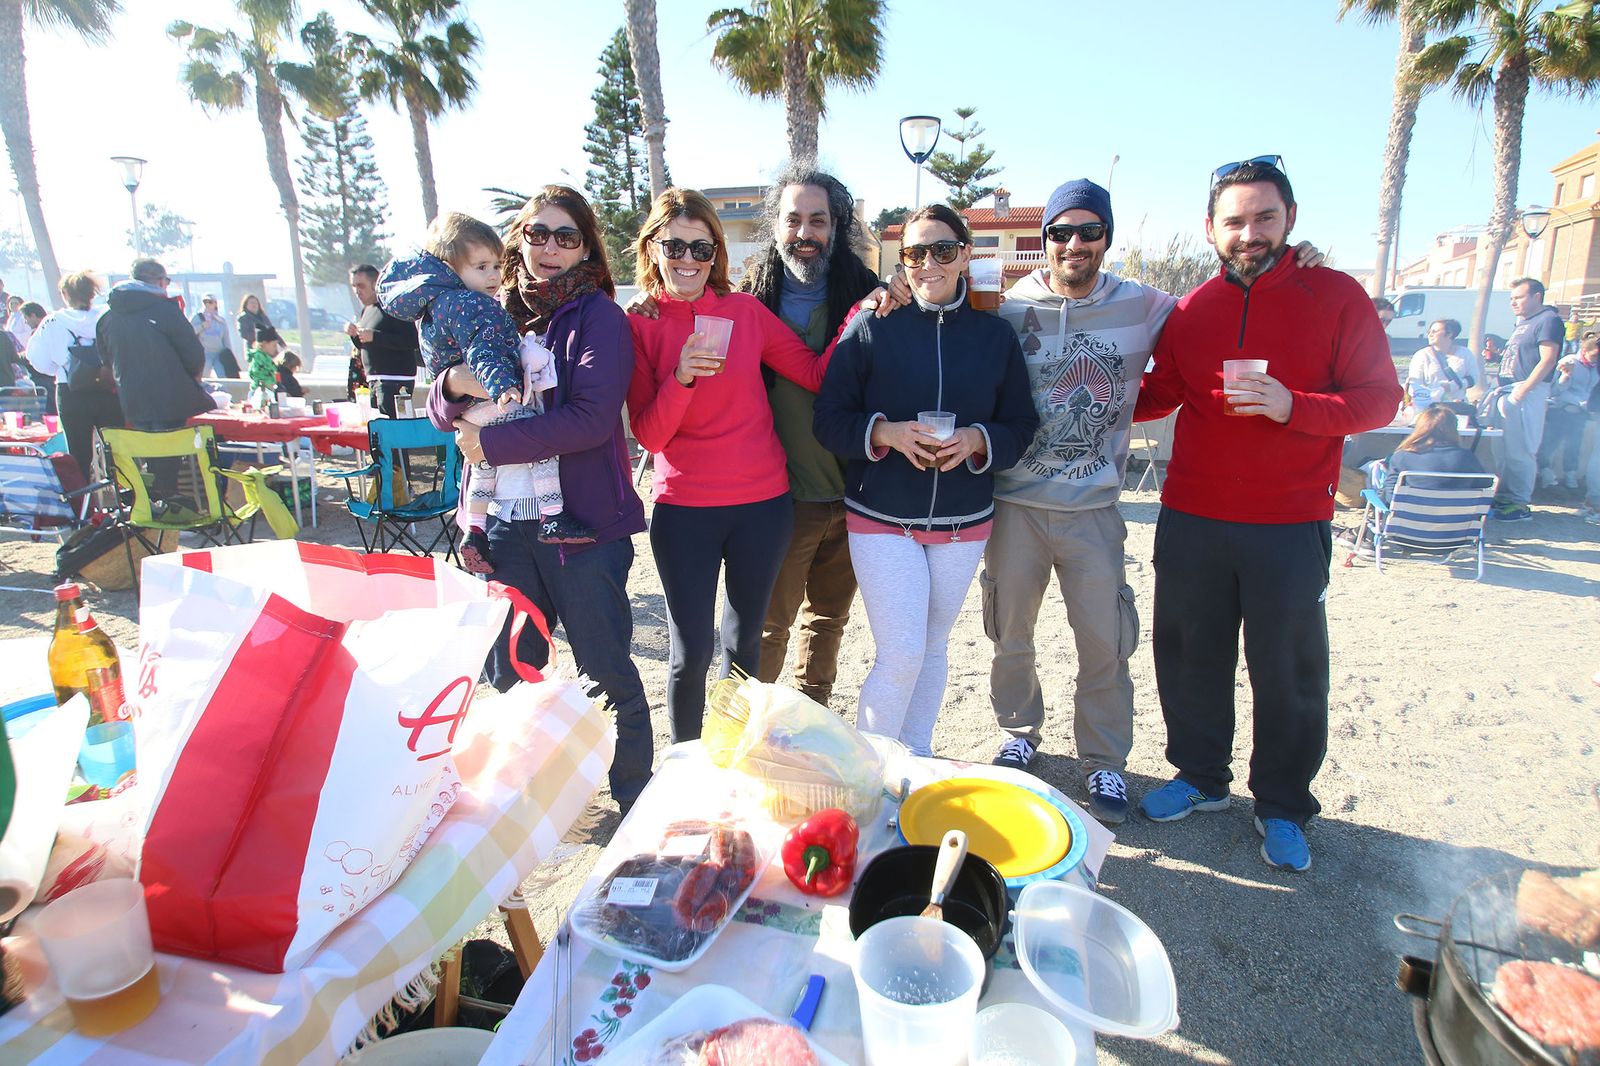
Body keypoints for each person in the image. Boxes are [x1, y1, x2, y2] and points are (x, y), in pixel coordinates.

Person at [1132, 159, 1401, 872]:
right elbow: (1162, 392)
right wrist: (1074, 396)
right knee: (1190, 656)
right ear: (1210, 229)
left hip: (1290, 523)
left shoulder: (1336, 296)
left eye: (1264, 218)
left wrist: (1295, 406)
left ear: (1290, 218)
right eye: (1235, 221)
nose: (1249, 234)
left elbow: (1379, 399)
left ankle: (1282, 805)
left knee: (1288, 670)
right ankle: (1200, 779)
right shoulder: (1190, 311)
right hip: (1192, 516)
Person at [431, 184, 651, 814]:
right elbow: (437, 400)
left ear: (586, 247)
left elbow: (589, 419)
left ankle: (634, 802)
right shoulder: (479, 309)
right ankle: (528, 801)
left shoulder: (600, 318)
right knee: (509, 670)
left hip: (580, 528)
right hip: (500, 524)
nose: (550, 248)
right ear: (517, 238)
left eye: (567, 237)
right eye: (537, 234)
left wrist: (488, 442)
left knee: (605, 672)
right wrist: (452, 386)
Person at [626, 186, 848, 744]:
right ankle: (683, 765)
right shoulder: (641, 324)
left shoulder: (745, 312)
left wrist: (862, 315)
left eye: (702, 250)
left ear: (716, 256)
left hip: (763, 505)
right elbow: (650, 433)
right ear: (653, 247)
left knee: (744, 646)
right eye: (675, 246)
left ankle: (729, 758)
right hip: (685, 509)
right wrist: (680, 376)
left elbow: (817, 375)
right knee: (690, 651)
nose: (688, 261)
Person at [813, 204, 1036, 757]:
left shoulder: (994, 335)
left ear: (965, 255)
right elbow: (829, 419)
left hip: (964, 521)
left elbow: (1021, 424)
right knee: (903, 651)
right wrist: (884, 433)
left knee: (933, 647)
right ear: (901, 260)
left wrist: (979, 439)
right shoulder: (873, 323)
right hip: (883, 516)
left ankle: (913, 760)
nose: (927, 263)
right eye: (914, 253)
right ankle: (869, 768)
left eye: (941, 250)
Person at [380, 211, 594, 573]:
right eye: (481, 267)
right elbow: (484, 352)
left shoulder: (433, 309)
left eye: (495, 266)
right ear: (449, 269)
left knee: (482, 466)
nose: (493, 276)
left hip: (471, 414)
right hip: (495, 401)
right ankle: (553, 515)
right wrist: (498, 385)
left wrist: (454, 385)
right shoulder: (475, 304)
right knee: (541, 451)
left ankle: (474, 530)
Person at [96, 258, 212, 433]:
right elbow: (193, 354)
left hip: (133, 400)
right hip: (171, 399)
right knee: (171, 454)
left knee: (148, 453)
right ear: (160, 281)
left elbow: (106, 359)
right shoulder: (166, 310)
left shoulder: (107, 317)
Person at [26, 271, 120, 475]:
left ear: (65, 294)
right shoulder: (109, 317)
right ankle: (130, 500)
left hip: (70, 390)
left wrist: (60, 367)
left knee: (78, 455)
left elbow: (38, 360)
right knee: (119, 451)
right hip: (108, 387)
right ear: (92, 293)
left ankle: (84, 503)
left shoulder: (53, 322)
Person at [1490, 277, 1563, 522]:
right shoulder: (1523, 323)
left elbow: (1548, 359)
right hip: (1508, 390)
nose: (1514, 303)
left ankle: (1519, 503)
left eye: (1519, 298)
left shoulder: (1548, 320)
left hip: (1526, 392)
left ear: (1536, 297)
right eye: (1511, 299)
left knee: (1522, 449)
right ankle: (1506, 496)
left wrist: (1523, 391)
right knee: (1505, 449)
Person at [347, 264, 422, 416]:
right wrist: (355, 335)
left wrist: (374, 336)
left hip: (395, 381)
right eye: (354, 286)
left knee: (392, 428)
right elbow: (366, 345)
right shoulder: (367, 310)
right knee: (377, 430)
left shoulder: (393, 307)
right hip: (373, 380)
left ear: (375, 284)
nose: (357, 291)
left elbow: (411, 340)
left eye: (361, 286)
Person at [1539, 328, 1598, 491]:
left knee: (1574, 446)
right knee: (1550, 444)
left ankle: (1570, 475)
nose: (1596, 360)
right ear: (1584, 351)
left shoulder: (1596, 367)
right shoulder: (1569, 361)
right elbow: (1554, 390)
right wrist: (1565, 377)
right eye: (1594, 356)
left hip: (1580, 412)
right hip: (1560, 409)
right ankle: (1546, 474)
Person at [1406, 318, 1476, 405]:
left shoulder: (1465, 353)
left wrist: (1453, 386)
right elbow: (1414, 384)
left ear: (1449, 334)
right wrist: (1434, 395)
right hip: (1429, 406)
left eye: (1434, 331)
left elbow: (1473, 379)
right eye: (1429, 331)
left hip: (1457, 405)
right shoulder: (1421, 355)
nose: (1430, 334)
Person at [190, 294, 233, 378]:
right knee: (204, 377)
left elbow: (226, 338)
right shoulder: (198, 318)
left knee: (223, 376)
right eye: (205, 302)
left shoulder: (220, 320)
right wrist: (202, 326)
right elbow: (190, 332)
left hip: (219, 353)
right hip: (205, 353)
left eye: (210, 302)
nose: (208, 304)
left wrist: (228, 352)